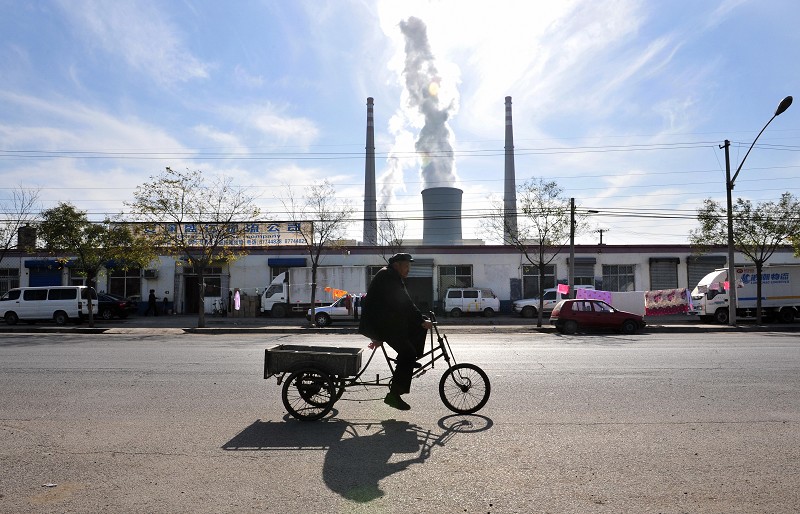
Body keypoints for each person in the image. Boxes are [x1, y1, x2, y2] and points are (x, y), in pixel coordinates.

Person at [359, 253, 433, 411]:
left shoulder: (392, 275)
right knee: (408, 352)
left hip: (385, 321)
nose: (408, 269)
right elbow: (405, 303)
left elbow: (404, 303)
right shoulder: (388, 277)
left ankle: (409, 359)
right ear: (397, 265)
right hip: (379, 325)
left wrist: (421, 319)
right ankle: (394, 396)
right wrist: (420, 320)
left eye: (409, 266)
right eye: (406, 266)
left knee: (419, 326)